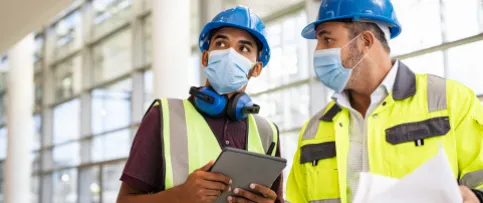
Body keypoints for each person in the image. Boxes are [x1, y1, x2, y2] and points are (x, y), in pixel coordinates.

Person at [286, 0, 483, 203]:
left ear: (365, 42)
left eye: (326, 40)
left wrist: (476, 197)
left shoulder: (451, 100)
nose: (317, 51)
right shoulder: (313, 130)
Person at [116, 5, 284, 203]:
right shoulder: (164, 116)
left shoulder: (267, 132)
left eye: (243, 48)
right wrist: (179, 196)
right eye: (221, 44)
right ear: (205, 57)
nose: (230, 53)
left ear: (256, 69)